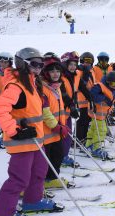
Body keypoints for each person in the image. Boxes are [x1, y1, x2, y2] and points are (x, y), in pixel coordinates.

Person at [0, 47, 63, 216]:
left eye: (41, 65)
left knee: (39, 172)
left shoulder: (32, 83)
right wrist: (16, 130)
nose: (39, 68)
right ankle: (2, 215)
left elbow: (25, 112)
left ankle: (32, 201)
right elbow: (0, 110)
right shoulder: (16, 85)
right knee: (19, 179)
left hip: (36, 139)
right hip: (21, 141)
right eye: (35, 64)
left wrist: (23, 122)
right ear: (23, 64)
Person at [41, 53, 73, 189]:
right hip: (46, 133)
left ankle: (52, 178)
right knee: (44, 161)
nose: (55, 74)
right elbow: (45, 112)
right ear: (46, 73)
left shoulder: (57, 87)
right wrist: (56, 126)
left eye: (57, 71)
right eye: (52, 71)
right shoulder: (43, 88)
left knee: (57, 155)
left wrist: (62, 125)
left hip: (57, 131)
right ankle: (39, 183)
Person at [60, 51, 93, 167]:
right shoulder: (60, 77)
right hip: (59, 113)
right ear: (65, 64)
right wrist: (72, 106)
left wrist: (90, 98)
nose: (73, 67)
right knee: (60, 137)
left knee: (67, 136)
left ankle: (63, 156)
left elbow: (83, 88)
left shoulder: (75, 76)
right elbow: (63, 94)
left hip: (67, 112)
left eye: (75, 64)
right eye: (71, 64)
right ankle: (58, 157)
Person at [86, 71, 115, 159]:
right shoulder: (99, 86)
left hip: (104, 112)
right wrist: (104, 98)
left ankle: (89, 145)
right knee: (102, 130)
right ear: (107, 82)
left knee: (94, 128)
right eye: (112, 84)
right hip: (97, 112)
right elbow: (92, 95)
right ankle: (96, 148)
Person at [76, 52, 96, 143]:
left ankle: (84, 137)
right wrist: (85, 76)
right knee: (82, 120)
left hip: (89, 100)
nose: (87, 63)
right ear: (81, 61)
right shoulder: (79, 71)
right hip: (82, 100)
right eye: (85, 61)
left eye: (89, 61)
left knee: (87, 119)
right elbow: (78, 86)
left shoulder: (92, 71)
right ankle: (79, 138)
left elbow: (92, 83)